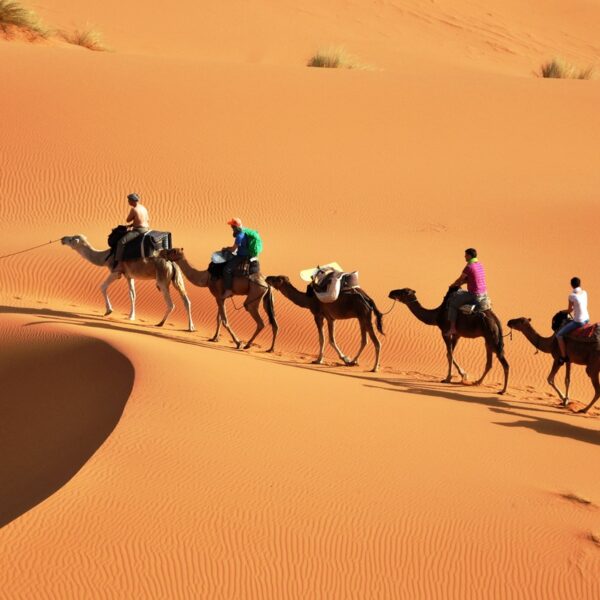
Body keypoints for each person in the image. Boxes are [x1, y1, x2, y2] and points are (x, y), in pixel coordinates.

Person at [447, 247, 489, 335]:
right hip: (484, 294)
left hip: (474, 295)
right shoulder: (480, 265)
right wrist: (462, 283)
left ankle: (452, 328)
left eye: (465, 255)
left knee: (453, 303)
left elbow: (460, 279)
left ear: (469, 256)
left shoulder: (469, 267)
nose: (464, 257)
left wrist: (453, 285)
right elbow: (474, 279)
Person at [555, 277, 589, 365]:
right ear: (580, 284)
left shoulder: (572, 296)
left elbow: (570, 310)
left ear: (571, 285)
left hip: (579, 321)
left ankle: (563, 357)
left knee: (559, 335)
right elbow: (582, 304)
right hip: (587, 318)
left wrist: (562, 311)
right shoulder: (585, 292)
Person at [113, 193, 150, 271]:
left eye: (129, 200)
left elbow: (128, 219)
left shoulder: (134, 209)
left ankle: (119, 264)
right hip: (146, 228)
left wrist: (133, 225)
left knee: (121, 242)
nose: (128, 202)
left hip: (139, 230)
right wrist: (132, 225)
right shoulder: (143, 207)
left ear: (132, 201)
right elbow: (146, 219)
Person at [221, 217, 250, 299]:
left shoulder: (239, 236)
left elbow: (233, 249)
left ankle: (228, 290)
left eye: (232, 227)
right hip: (245, 254)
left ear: (235, 227)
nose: (232, 229)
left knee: (226, 269)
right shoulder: (245, 231)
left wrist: (226, 248)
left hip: (242, 256)